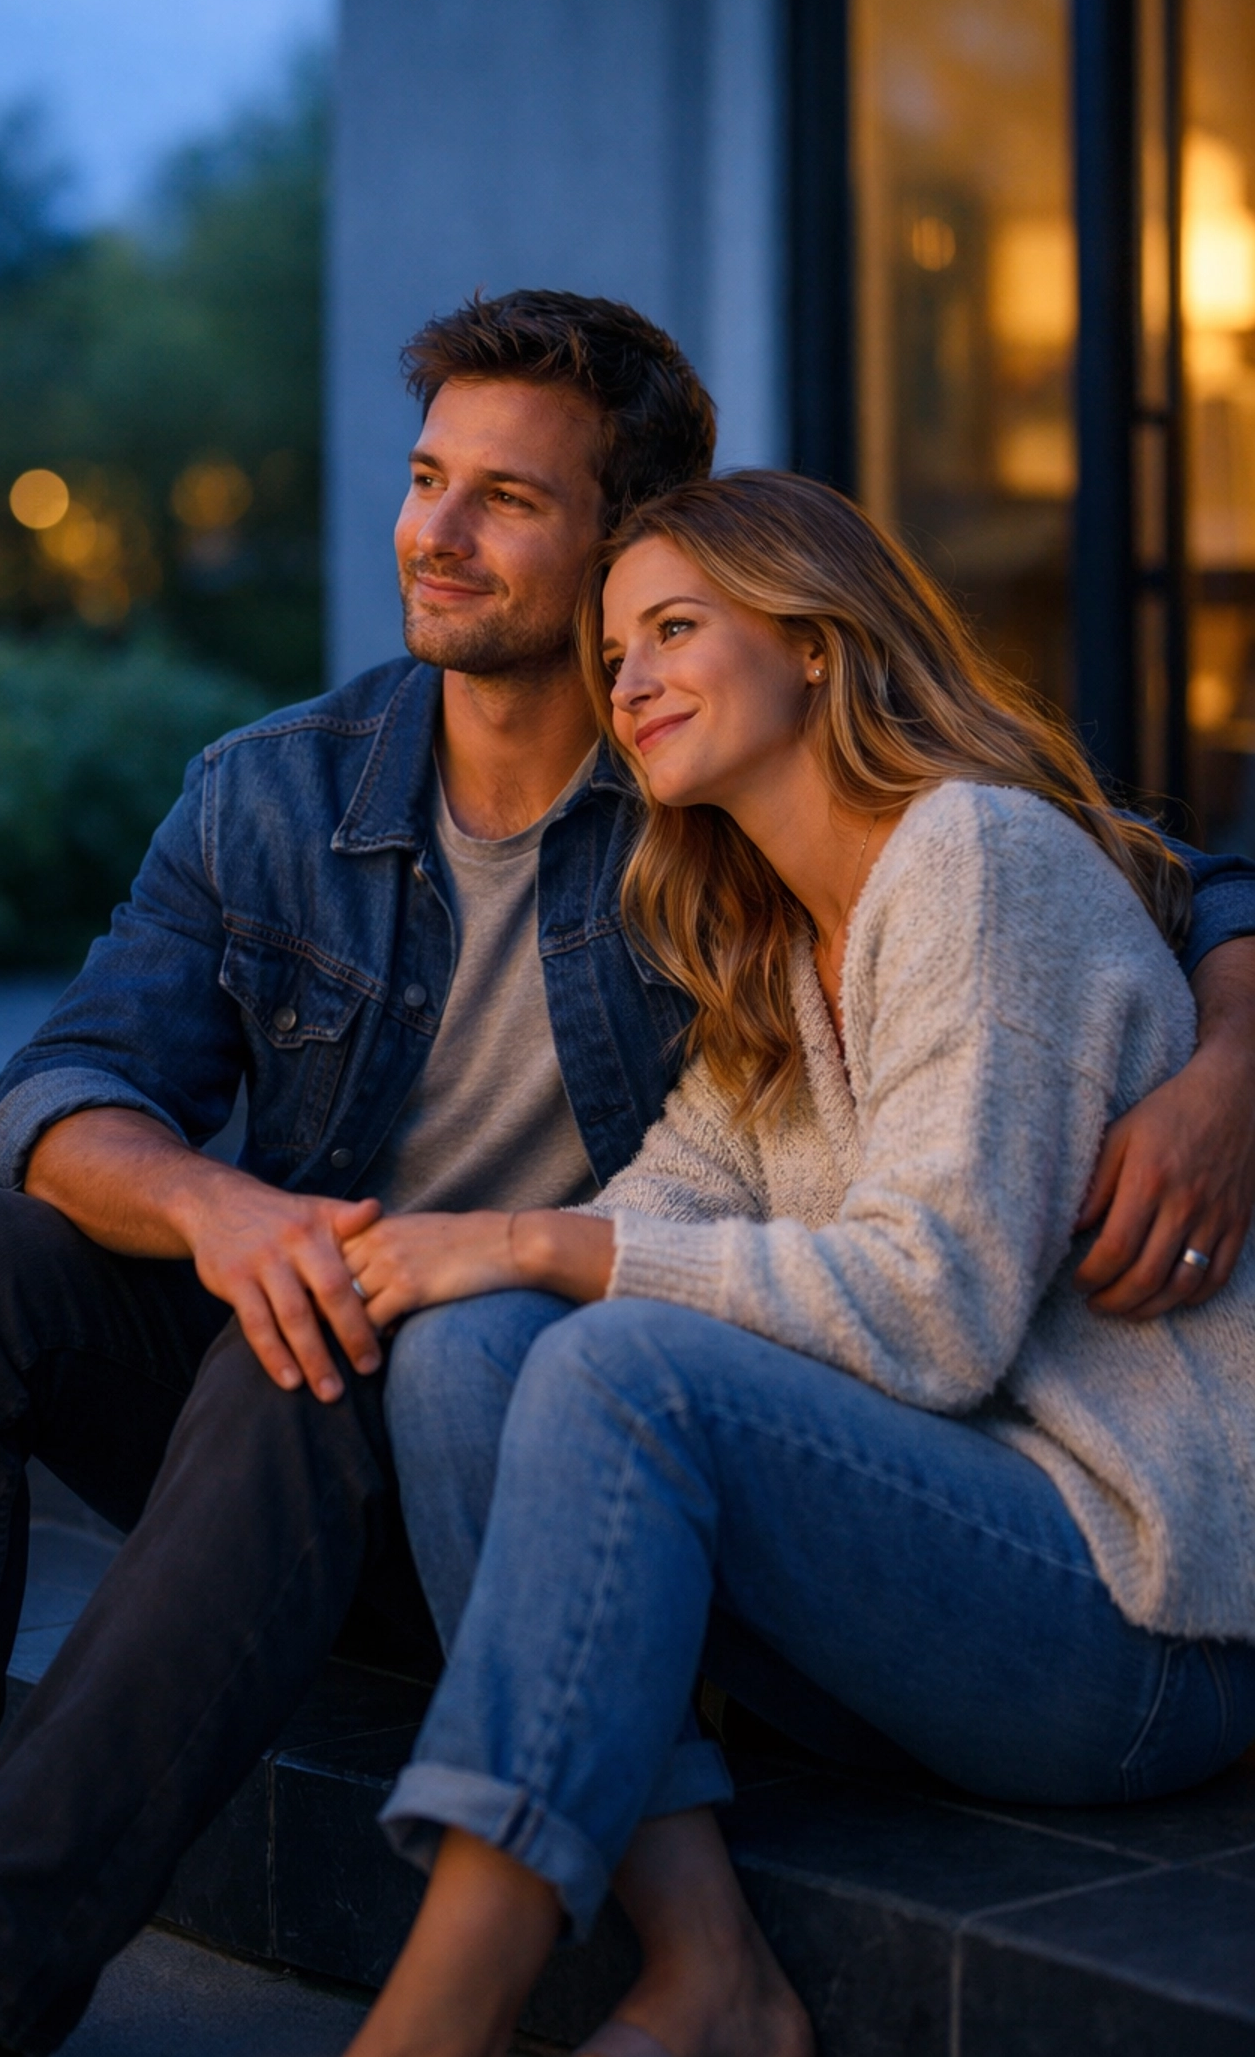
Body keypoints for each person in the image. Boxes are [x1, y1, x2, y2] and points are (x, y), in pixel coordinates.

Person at [0, 306, 1251, 2057]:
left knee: (369, 1350)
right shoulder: (313, 801)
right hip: (433, 1383)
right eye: (427, 480)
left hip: (572, 1408)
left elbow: (1129, 860)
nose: (434, 535)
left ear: (640, 544)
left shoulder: (721, 810)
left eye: (507, 502)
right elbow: (52, 1088)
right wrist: (230, 1214)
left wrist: (1236, 1060)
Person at [340, 472, 1255, 2057]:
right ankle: (712, 1976)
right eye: (616, 650)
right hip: (923, 1584)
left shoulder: (977, 858)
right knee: (471, 1342)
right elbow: (657, 1216)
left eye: (677, 629)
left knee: (595, 1340)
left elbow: (932, 1307)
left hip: (1137, 1621)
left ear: (818, 643)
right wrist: (443, 1266)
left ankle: (436, 2015)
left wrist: (525, 1235)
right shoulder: (772, 949)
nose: (627, 683)